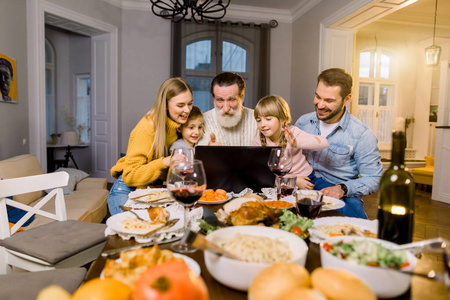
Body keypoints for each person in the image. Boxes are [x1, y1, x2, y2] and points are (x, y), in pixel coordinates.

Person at [295, 68, 383, 219]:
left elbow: (374, 178)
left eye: (329, 101)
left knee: (356, 227)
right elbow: (289, 158)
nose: (320, 105)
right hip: (303, 188)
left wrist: (342, 188)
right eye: (317, 97)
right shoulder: (303, 122)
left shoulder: (362, 135)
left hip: (342, 195)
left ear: (347, 99)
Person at [108, 77, 193, 215]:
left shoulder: (181, 125)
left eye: (190, 104)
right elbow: (129, 176)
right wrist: (165, 162)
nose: (187, 110)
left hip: (153, 190)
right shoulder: (147, 128)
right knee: (134, 230)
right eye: (180, 105)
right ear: (165, 104)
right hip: (127, 189)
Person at [253, 95, 328, 189]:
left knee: (332, 199)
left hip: (308, 178)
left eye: (268, 119)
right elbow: (262, 173)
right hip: (281, 182)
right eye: (259, 120)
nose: (262, 124)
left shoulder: (293, 132)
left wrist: (296, 142)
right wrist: (294, 181)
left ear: (283, 119)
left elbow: (323, 142)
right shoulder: (258, 141)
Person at [198, 72, 258, 146]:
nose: (226, 109)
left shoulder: (258, 119)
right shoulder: (202, 121)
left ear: (242, 97)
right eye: (220, 100)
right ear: (213, 99)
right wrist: (208, 152)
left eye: (231, 99)